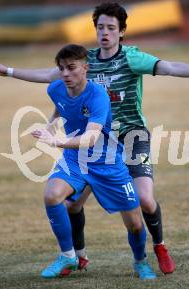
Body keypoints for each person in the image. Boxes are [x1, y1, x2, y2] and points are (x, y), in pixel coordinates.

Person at [0, 2, 189, 275]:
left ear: (122, 31)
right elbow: (49, 76)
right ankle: (77, 256)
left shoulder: (131, 58)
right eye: (100, 27)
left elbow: (170, 67)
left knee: (145, 200)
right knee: (71, 204)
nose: (104, 32)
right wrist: (8, 71)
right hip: (97, 145)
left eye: (111, 28)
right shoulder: (85, 61)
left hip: (131, 137)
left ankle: (160, 246)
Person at [31, 44, 156, 279]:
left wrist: (55, 140)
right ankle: (68, 256)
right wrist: (49, 124)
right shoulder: (56, 89)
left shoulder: (99, 96)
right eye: (61, 69)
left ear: (85, 68)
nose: (65, 74)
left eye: (71, 68)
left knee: (135, 223)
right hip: (75, 159)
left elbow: (90, 139)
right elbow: (61, 107)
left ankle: (140, 262)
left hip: (107, 162)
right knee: (52, 195)